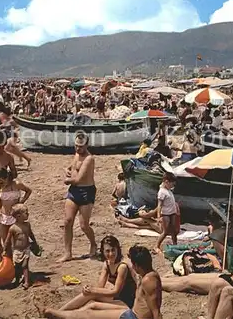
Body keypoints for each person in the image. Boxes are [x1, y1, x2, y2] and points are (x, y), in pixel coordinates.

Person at [42, 245, 162, 319]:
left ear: (137, 265)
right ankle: (58, 313)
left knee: (89, 314)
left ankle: (55, 313)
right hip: (132, 313)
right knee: (91, 308)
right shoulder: (148, 274)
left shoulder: (148, 281)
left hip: (133, 317)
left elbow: (156, 311)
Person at [54, 235, 137, 312]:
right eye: (107, 251)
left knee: (91, 301)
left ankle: (62, 314)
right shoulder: (107, 264)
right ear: (103, 252)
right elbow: (100, 287)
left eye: (113, 250)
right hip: (117, 298)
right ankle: (61, 311)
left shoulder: (122, 266)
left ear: (117, 250)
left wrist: (92, 290)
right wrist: (89, 289)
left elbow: (116, 292)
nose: (111, 254)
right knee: (89, 294)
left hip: (126, 301)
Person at [57, 133, 97, 263]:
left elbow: (79, 179)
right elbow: (71, 167)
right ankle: (67, 252)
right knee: (67, 221)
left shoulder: (89, 158)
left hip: (86, 191)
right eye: (76, 146)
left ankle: (93, 244)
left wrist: (67, 180)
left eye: (80, 146)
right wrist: (67, 170)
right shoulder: (76, 154)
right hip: (74, 191)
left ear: (86, 145)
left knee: (84, 225)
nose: (78, 149)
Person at [0, 168, 32, 257]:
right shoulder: (0, 186)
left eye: (2, 181)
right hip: (4, 216)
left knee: (17, 241)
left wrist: (21, 202)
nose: (1, 184)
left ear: (7, 177)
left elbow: (28, 191)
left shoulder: (17, 184)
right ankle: (8, 263)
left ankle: (19, 263)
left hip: (15, 217)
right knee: (5, 242)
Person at [3, 204, 39, 289]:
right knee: (17, 266)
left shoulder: (27, 225)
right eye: (26, 213)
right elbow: (7, 240)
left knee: (25, 265)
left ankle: (26, 282)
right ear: (18, 216)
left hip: (26, 248)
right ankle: (17, 279)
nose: (28, 214)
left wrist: (35, 242)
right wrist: (4, 250)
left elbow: (31, 234)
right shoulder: (13, 228)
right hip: (17, 250)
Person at [153, 172, 180, 254]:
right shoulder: (162, 192)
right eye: (172, 184)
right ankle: (156, 246)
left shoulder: (167, 190)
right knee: (165, 231)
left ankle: (175, 244)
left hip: (172, 213)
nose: (173, 186)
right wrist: (158, 217)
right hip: (166, 214)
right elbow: (159, 205)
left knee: (174, 231)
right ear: (167, 182)